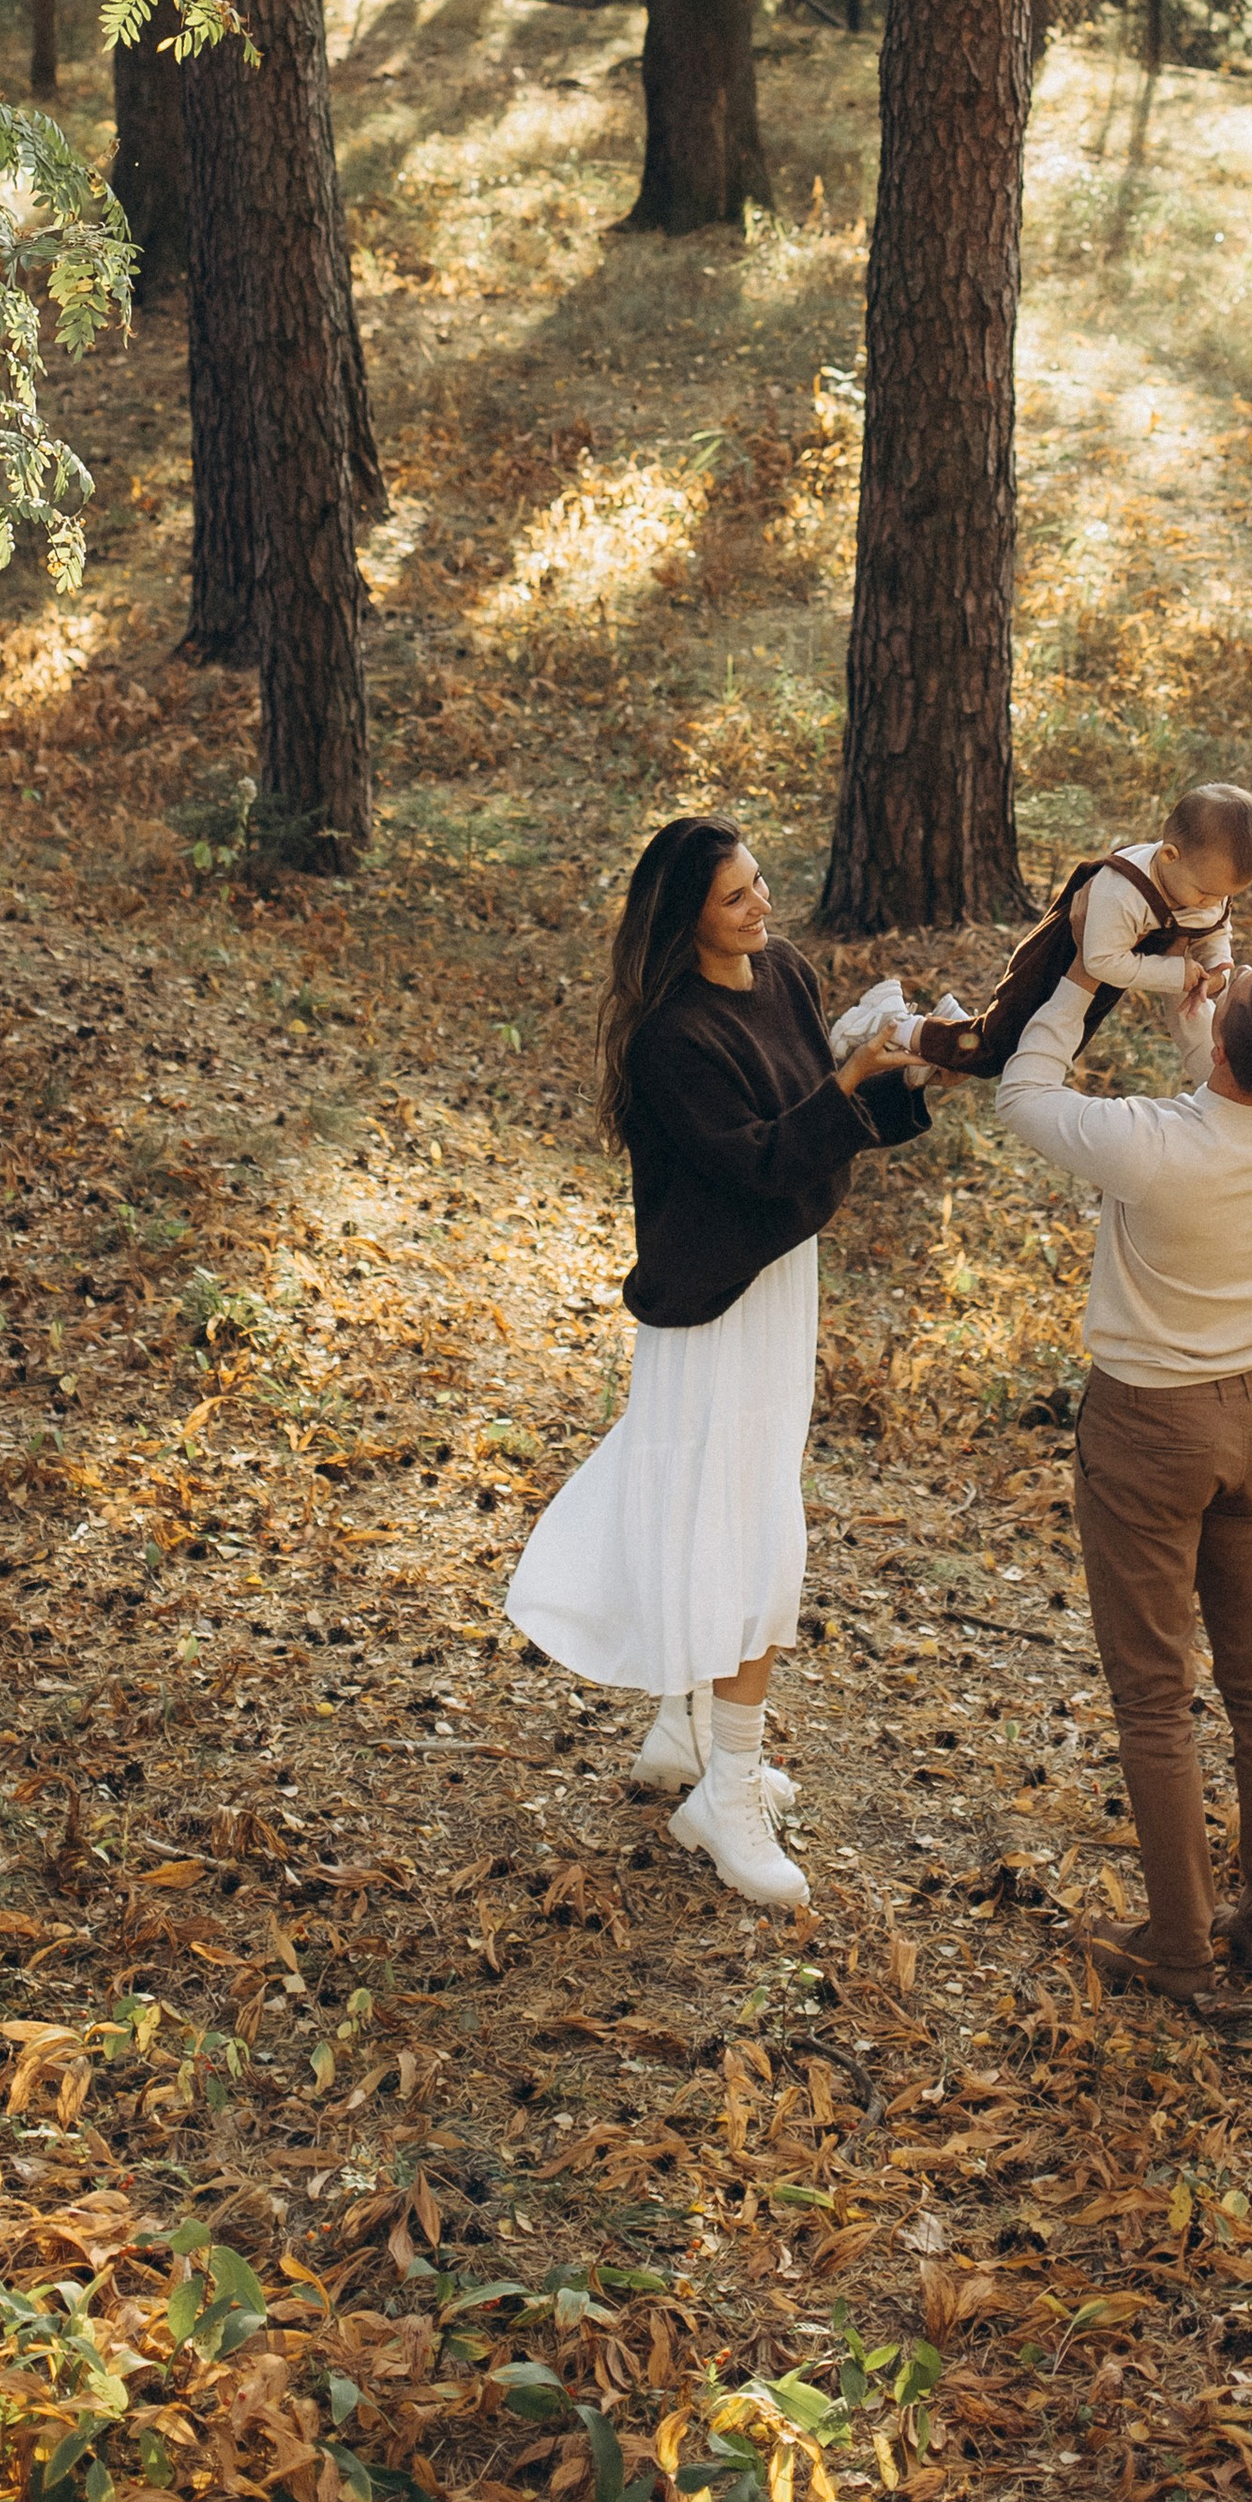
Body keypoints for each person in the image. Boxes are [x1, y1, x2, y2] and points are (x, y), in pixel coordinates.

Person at [506, 816, 925, 1909]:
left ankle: (684, 1735)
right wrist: (846, 1090)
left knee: (724, 1501)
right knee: (740, 1526)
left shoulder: (778, 972)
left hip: (779, 1274)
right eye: (736, 896)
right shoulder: (670, 1039)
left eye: (759, 885)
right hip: (712, 1297)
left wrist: (901, 1071)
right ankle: (723, 1785)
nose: (761, 906)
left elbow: (811, 1111)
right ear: (684, 912)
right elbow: (761, 1158)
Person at [994, 945, 1252, 2021]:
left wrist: (1078, 979)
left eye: (1224, 991)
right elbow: (1243, 1087)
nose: (1217, 979)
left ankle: (1179, 1947)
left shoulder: (1151, 1145)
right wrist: (1206, 1028)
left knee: (1154, 1692)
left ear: (1230, 1045)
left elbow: (1023, 1090)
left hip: (1149, 1427)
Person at [899, 781, 1252, 1081]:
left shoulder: (1201, 885)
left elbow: (1214, 928)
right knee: (1000, 1047)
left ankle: (946, 1042)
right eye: (1205, 894)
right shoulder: (1122, 893)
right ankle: (899, 1027)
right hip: (1060, 959)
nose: (1209, 904)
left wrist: (1217, 964)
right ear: (1169, 856)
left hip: (1112, 969)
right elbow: (1099, 961)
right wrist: (1175, 973)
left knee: (1048, 1045)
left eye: (1222, 896)